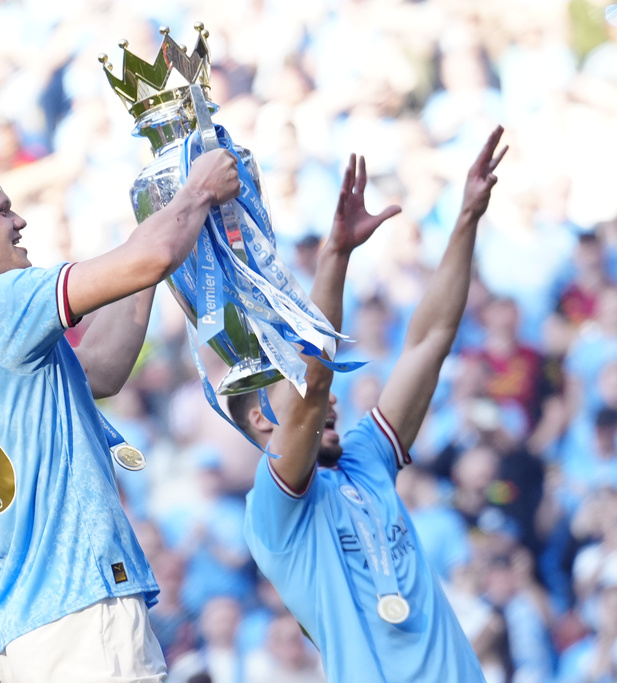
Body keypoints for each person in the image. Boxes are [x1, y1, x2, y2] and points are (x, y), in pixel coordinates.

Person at [0, 151, 240, 681]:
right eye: (2, 211)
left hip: (39, 624)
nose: (19, 222)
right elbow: (153, 254)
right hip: (81, 608)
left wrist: (157, 237)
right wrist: (195, 194)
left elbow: (102, 369)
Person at [233, 126, 507, 682]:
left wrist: (466, 219)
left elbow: (430, 341)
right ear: (262, 418)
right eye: (297, 387)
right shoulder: (273, 509)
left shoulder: (365, 459)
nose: (330, 396)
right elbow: (312, 387)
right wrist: (335, 257)